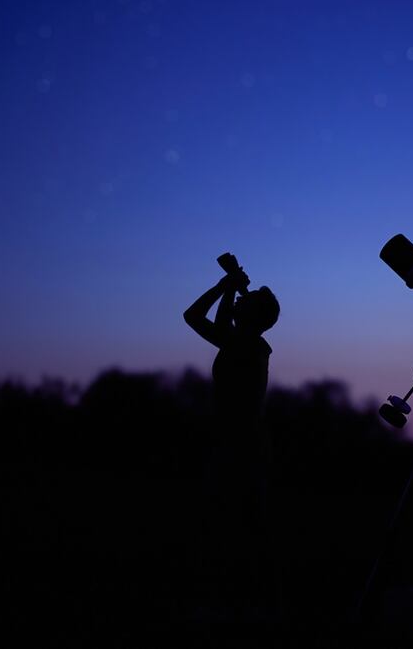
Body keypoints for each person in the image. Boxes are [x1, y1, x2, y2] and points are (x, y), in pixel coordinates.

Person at [183, 255, 280, 621]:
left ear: (254, 316)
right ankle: (244, 604)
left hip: (242, 447)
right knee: (237, 526)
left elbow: (195, 317)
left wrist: (226, 288)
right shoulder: (243, 342)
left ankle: (251, 607)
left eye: (248, 300)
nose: (242, 299)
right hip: (237, 443)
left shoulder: (247, 345)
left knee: (239, 527)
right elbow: (214, 321)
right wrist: (230, 290)